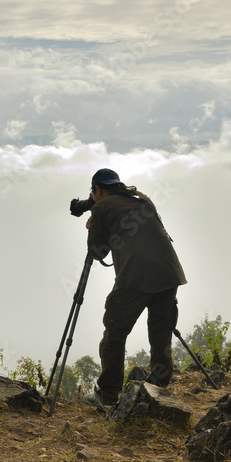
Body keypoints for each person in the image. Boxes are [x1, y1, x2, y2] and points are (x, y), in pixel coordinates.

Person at [82, 168, 186, 410]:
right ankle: (158, 390)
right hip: (168, 273)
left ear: (97, 190)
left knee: (114, 334)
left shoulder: (101, 207)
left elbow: (98, 251)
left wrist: (93, 226)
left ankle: (108, 396)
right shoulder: (142, 199)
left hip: (134, 279)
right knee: (161, 332)